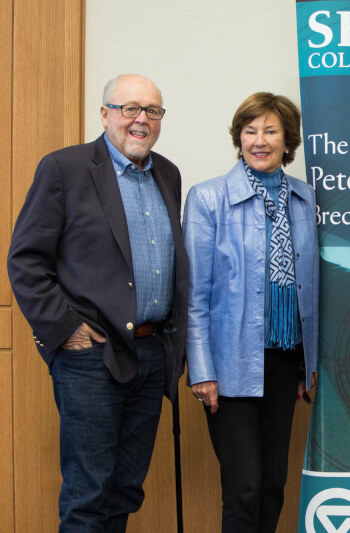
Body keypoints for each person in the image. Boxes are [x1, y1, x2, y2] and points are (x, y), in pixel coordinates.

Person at [7, 74, 188, 532]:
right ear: (105, 114)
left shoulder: (168, 173)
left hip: (151, 353)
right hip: (92, 356)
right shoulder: (64, 169)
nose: (141, 119)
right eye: (130, 108)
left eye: (152, 111)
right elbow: (26, 260)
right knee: (88, 494)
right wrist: (65, 328)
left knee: (125, 490)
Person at [183, 92, 319, 533]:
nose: (259, 140)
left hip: (284, 361)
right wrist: (201, 370)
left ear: (288, 140)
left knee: (272, 485)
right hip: (228, 365)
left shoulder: (304, 198)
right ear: (238, 137)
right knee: (243, 487)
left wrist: (304, 365)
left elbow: (308, 287)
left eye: (270, 131)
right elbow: (194, 294)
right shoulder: (207, 198)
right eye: (250, 130)